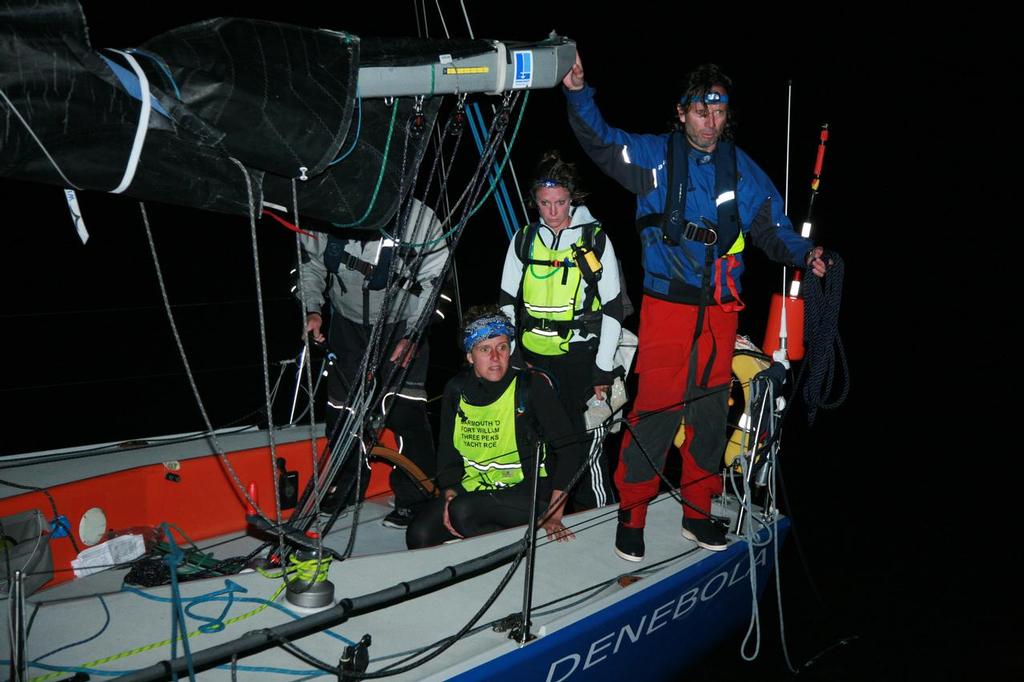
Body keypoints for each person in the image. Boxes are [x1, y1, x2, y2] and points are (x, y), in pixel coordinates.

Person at [563, 56, 829, 560]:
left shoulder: (740, 168)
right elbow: (599, 140)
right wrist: (579, 92)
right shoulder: (652, 156)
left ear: (727, 117)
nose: (710, 120)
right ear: (682, 113)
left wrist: (805, 254)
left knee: (710, 417)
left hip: (721, 313)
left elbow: (773, 230)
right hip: (667, 307)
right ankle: (633, 511)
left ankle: (698, 512)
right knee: (655, 412)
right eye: (701, 110)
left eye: (719, 111)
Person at [297, 199, 446, 529]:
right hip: (346, 323)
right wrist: (313, 310)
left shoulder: (419, 219)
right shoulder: (323, 206)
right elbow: (310, 265)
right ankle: (347, 485)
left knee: (405, 410)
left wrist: (415, 333)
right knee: (340, 412)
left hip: (401, 325)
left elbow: (436, 277)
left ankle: (415, 497)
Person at [498, 151, 624, 512]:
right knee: (545, 442)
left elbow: (613, 306)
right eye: (545, 203)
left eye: (561, 203)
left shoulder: (594, 239)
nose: (553, 212)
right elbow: (507, 299)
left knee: (588, 442)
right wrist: (514, 354)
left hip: (581, 358)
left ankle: (597, 514)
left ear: (572, 199)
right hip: (535, 358)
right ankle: (554, 514)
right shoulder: (524, 239)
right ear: (534, 201)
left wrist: (602, 367)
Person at [406, 310, 580, 549]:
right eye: (485, 349)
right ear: (470, 355)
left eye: (502, 347)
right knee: (420, 534)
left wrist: (554, 513)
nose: (496, 358)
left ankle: (503, 561)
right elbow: (448, 454)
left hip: (526, 495)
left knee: (463, 511)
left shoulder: (531, 387)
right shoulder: (457, 390)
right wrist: (450, 493)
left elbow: (571, 451)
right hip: (474, 490)